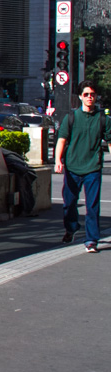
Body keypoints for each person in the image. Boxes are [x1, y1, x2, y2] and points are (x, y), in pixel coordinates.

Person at [54, 81, 111, 252]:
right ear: (80, 97)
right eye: (86, 94)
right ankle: (71, 228)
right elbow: (61, 140)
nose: (89, 97)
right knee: (69, 204)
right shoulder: (71, 118)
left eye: (92, 94)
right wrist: (58, 161)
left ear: (96, 96)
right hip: (72, 167)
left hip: (93, 168)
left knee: (92, 206)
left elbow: (110, 142)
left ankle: (91, 240)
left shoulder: (103, 119)